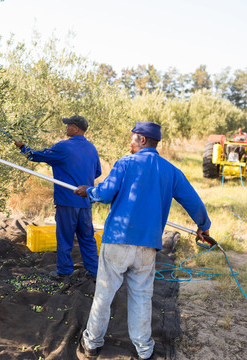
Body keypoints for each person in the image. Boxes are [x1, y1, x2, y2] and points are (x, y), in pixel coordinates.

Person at [74, 122, 211, 360]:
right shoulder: (170, 170)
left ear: (143, 140)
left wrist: (89, 191)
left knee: (104, 294)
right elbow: (193, 201)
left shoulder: (125, 163)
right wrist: (203, 226)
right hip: (147, 246)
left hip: (117, 240)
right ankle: (144, 349)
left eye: (132, 138)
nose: (130, 143)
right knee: (141, 296)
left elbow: (105, 193)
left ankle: (92, 343)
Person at [15, 115, 101, 280]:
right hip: (85, 201)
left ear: (75, 128)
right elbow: (97, 172)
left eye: (68, 125)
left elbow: (37, 156)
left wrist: (22, 148)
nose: (66, 128)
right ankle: (94, 271)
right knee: (87, 238)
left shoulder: (63, 147)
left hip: (67, 201)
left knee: (64, 237)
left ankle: (64, 272)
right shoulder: (91, 148)